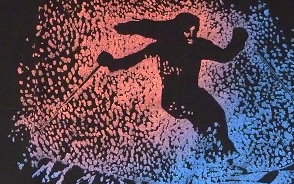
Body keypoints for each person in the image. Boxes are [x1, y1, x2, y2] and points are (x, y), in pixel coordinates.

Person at [97, 12, 247, 156]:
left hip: (190, 95)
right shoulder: (164, 47)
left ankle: (217, 153)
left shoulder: (197, 45)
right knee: (209, 117)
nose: (191, 35)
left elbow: (224, 56)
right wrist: (111, 62)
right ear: (178, 31)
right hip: (174, 99)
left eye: (195, 31)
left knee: (212, 117)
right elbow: (132, 59)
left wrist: (238, 40)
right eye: (187, 31)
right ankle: (221, 153)